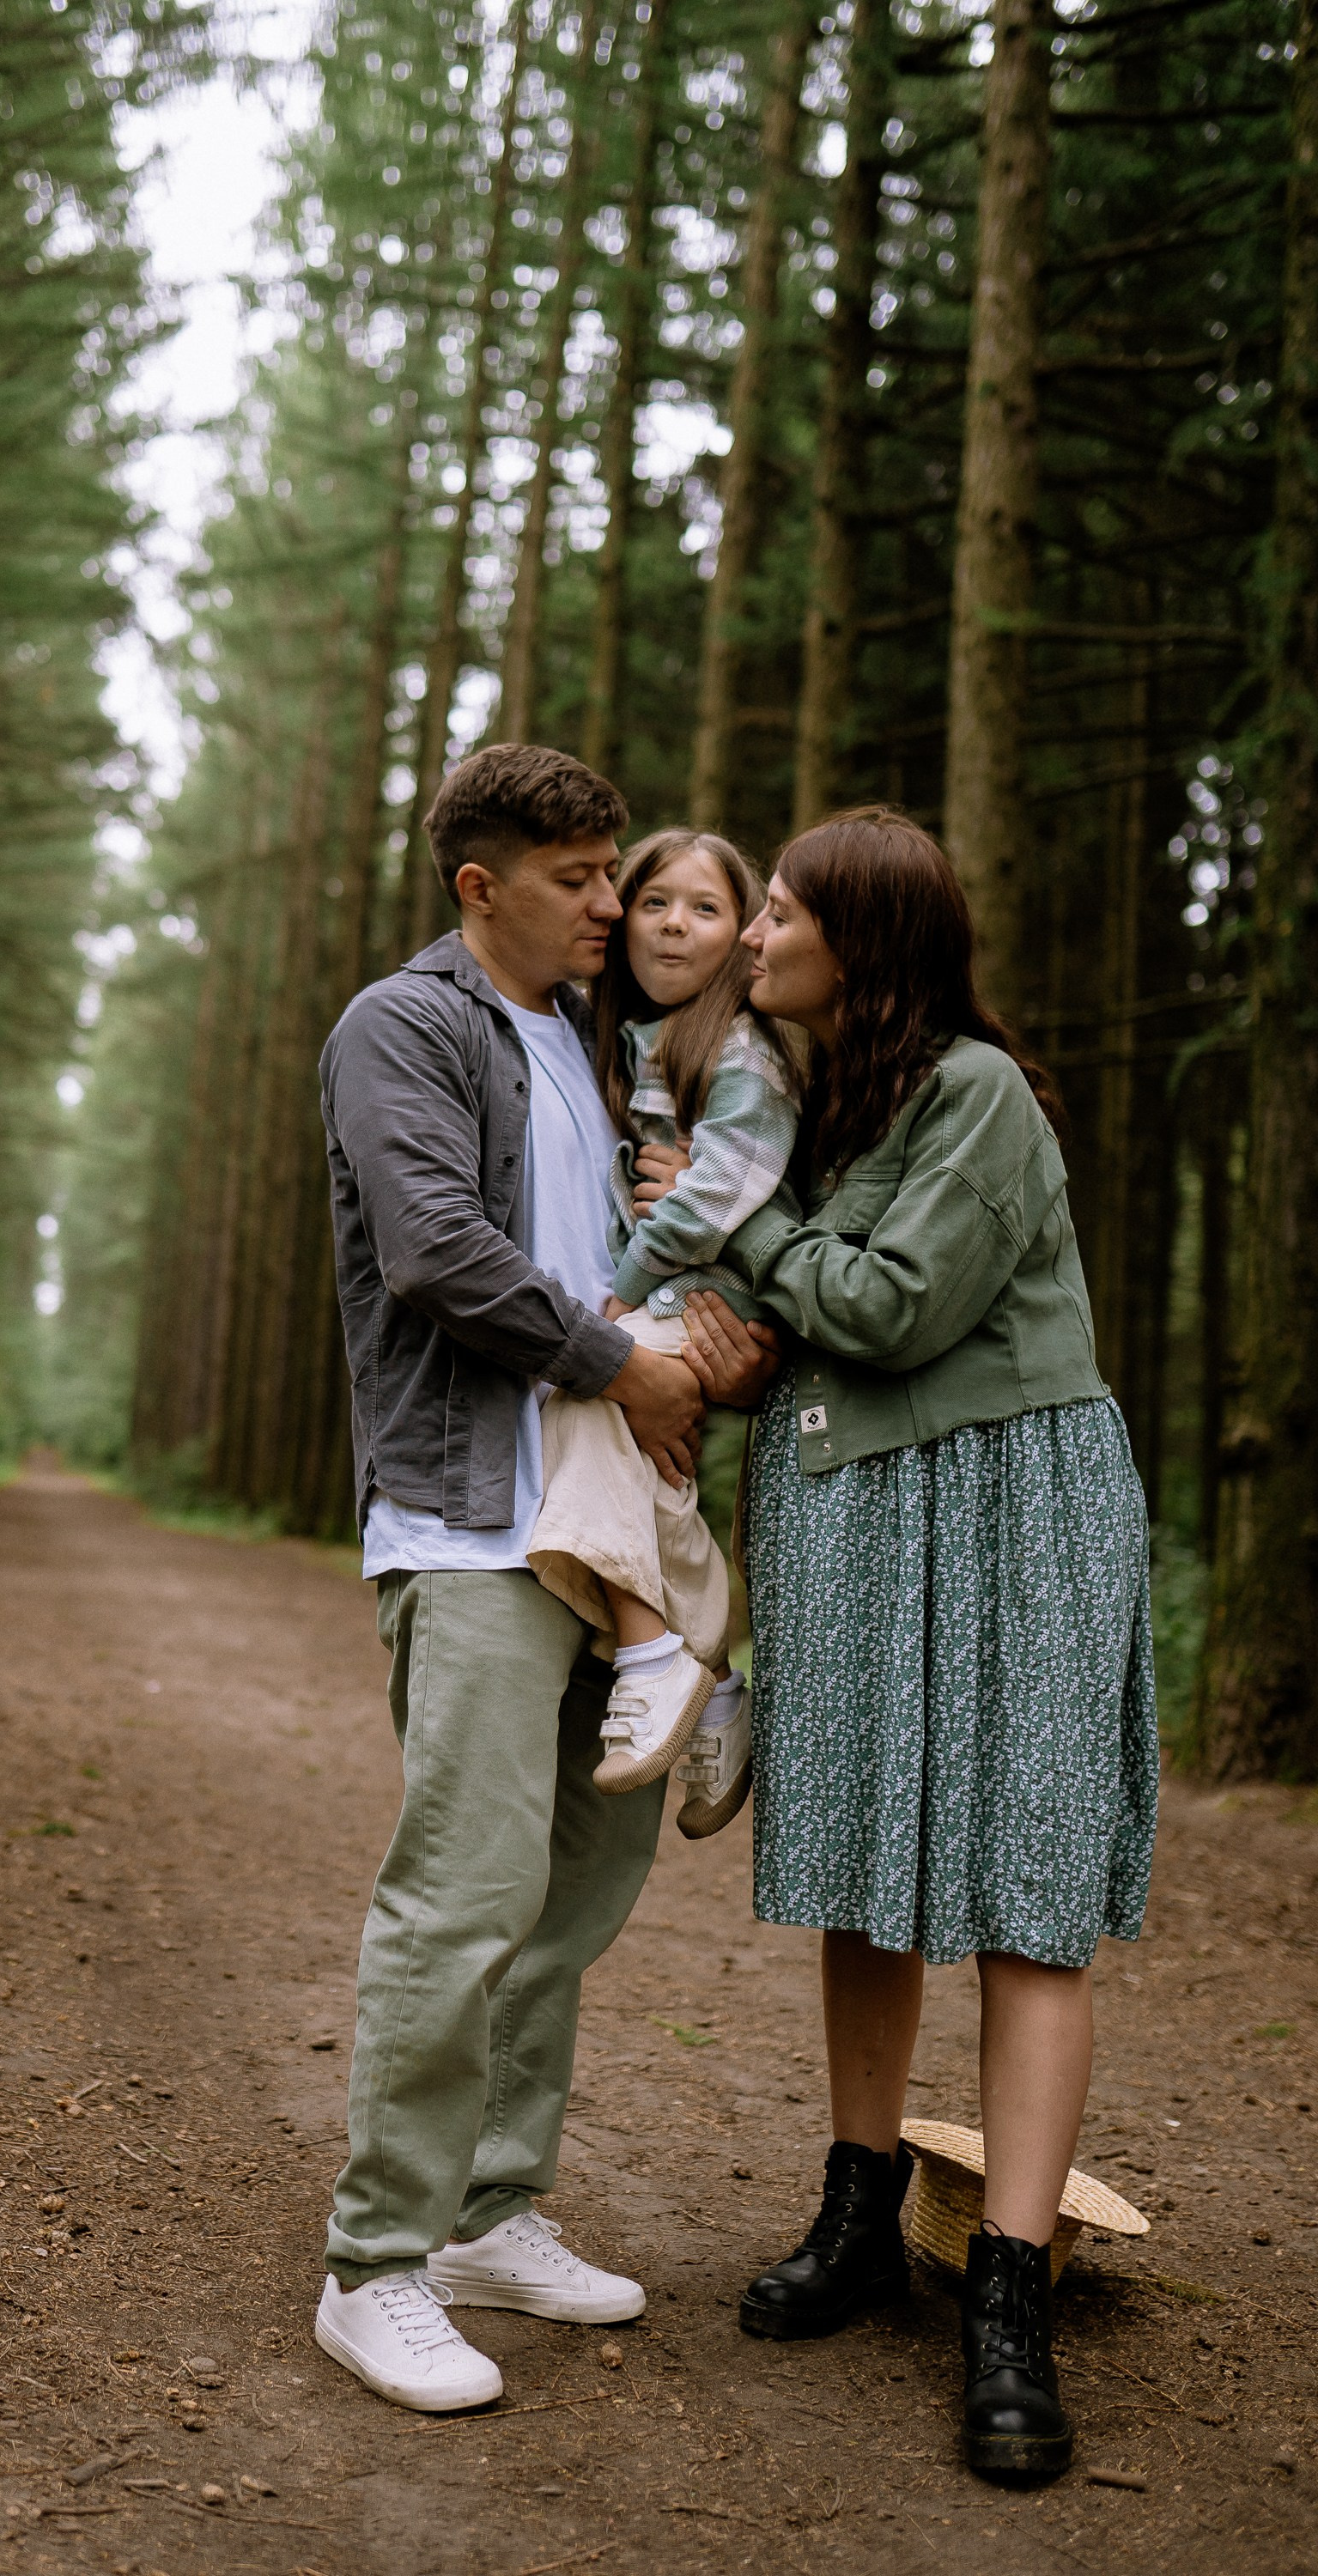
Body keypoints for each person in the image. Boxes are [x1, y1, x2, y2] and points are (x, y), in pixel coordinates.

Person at [679, 807, 1158, 2485]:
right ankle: (857, 2211)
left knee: (1025, 1897)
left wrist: (733, 1230)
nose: (752, 934)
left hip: (1014, 1508)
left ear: (861, 943)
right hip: (849, 1513)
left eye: (782, 911)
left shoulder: (976, 1093)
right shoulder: (811, 1109)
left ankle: (1007, 2301)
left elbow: (885, 1308)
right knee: (866, 1873)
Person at [314, 743, 781, 2415]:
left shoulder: (595, 1049)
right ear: (479, 886)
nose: (613, 902)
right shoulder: (406, 1027)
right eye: (582, 879)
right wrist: (617, 1361)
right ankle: (374, 2263)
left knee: (577, 1896)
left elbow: (647, 1244)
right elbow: (437, 1249)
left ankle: (487, 2211)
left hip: (607, 1535)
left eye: (617, 874)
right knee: (462, 1888)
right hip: (469, 1526)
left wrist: (706, 1334)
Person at [526, 827, 796, 1836]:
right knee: (650, 1475)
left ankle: (651, 1655)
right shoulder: (625, 1041)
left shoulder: (738, 1051)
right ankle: (715, 1682)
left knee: (589, 1396)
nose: (674, 924)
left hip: (706, 1305)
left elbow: (715, 1195)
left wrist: (619, 1295)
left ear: (740, 935)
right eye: (653, 902)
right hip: (666, 1301)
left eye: (704, 908)